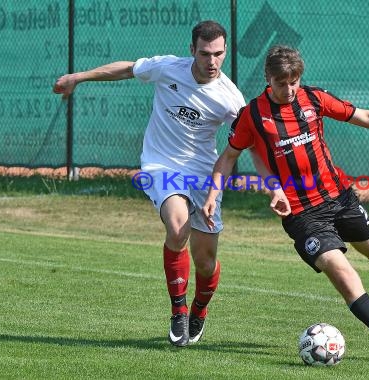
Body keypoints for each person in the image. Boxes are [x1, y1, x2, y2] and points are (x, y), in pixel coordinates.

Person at [202, 45, 369, 365]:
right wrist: (214, 195)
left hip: (340, 198)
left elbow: (368, 117)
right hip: (302, 214)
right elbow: (230, 156)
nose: (289, 89)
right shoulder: (253, 114)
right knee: (342, 271)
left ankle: (336, 242)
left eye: (294, 81)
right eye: (281, 82)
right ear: (268, 78)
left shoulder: (314, 99)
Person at [53, 20, 249, 347]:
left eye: (218, 54)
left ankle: (199, 310)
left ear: (225, 52)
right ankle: (179, 311)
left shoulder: (231, 98)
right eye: (205, 53)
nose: (212, 61)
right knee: (177, 227)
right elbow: (126, 69)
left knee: (205, 260)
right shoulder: (167, 68)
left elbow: (248, 140)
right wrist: (78, 77)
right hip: (161, 164)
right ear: (192, 51)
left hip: (202, 174)